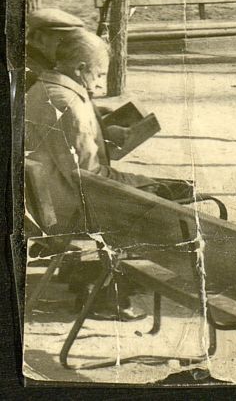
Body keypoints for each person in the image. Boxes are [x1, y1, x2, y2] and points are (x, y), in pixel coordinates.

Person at [25, 29, 156, 320]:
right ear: (80, 68)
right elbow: (91, 177)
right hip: (70, 209)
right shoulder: (70, 104)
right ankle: (105, 293)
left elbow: (60, 142)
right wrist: (142, 182)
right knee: (156, 197)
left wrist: (106, 132)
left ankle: (82, 273)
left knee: (145, 189)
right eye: (98, 75)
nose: (98, 85)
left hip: (44, 201)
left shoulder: (40, 89)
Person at [24, 8, 86, 91]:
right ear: (39, 39)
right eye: (67, 41)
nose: (74, 47)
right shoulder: (28, 75)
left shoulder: (49, 68)